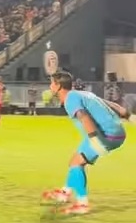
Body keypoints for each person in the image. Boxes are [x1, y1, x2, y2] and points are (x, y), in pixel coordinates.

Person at [42, 71, 127, 215]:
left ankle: (82, 204)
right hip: (115, 132)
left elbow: (83, 116)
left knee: (77, 164)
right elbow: (108, 103)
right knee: (74, 161)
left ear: (59, 86)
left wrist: (94, 140)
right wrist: (128, 115)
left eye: (52, 83)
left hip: (106, 135)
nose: (50, 86)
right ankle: (64, 193)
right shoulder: (81, 94)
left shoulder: (70, 99)